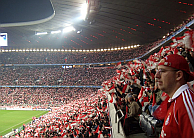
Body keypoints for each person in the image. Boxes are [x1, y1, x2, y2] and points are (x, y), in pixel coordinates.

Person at [155, 54, 194, 138]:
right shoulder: (176, 100)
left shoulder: (186, 103)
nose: (156, 76)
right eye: (157, 71)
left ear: (178, 75)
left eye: (162, 71)